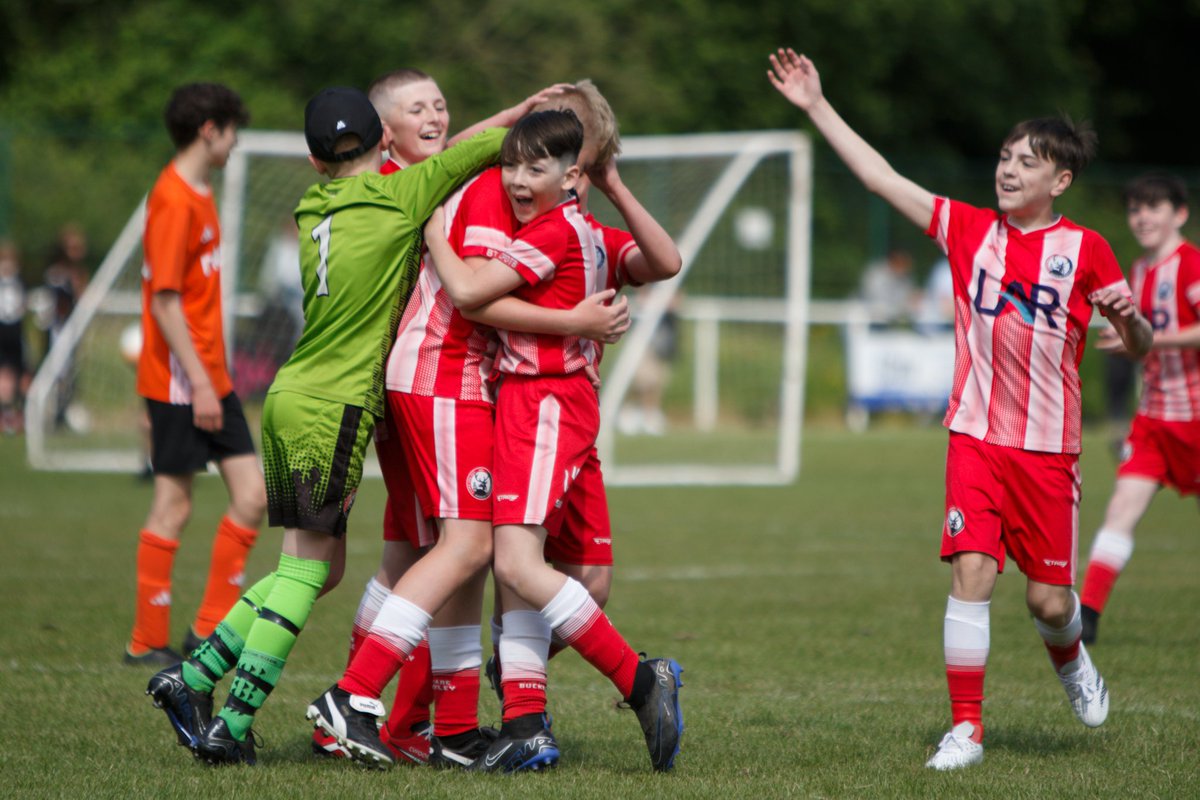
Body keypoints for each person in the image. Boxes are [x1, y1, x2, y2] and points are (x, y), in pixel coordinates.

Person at [767, 47, 1152, 771]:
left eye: (1026, 162)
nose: (1007, 169)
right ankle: (966, 731)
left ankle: (1073, 664)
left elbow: (1136, 344)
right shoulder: (968, 230)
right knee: (970, 572)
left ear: (1059, 179)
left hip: (1048, 451)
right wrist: (817, 104)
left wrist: (1129, 320)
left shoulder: (1088, 250)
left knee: (1047, 603)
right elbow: (882, 179)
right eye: (1004, 156)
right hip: (974, 439)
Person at [145, 86, 505, 765]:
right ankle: (230, 721)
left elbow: (440, 156)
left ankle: (190, 678)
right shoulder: (400, 199)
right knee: (307, 573)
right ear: (385, 145)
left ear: (313, 163)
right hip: (332, 408)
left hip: (290, 396)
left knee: (318, 566)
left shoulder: (312, 204)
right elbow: (480, 148)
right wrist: (538, 109)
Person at [309, 70, 619, 766]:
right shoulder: (483, 187)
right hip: (443, 378)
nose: (436, 116)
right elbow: (473, 296)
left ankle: (443, 728)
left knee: (430, 556)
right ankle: (352, 698)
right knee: (466, 550)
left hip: (444, 384)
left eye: (441, 104)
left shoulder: (462, 180)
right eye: (417, 107)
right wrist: (575, 320)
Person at [423, 109, 684, 773]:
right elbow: (663, 260)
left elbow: (470, 292)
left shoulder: (552, 231)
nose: (514, 178)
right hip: (567, 408)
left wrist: (430, 225)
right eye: (510, 164)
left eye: (532, 167)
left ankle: (639, 681)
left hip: (539, 407)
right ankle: (524, 720)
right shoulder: (589, 231)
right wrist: (614, 188)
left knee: (513, 564)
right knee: (568, 578)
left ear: (571, 174)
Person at [125, 83, 266, 667]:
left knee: (252, 496)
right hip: (184, 381)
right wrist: (201, 384)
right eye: (232, 131)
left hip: (211, 375)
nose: (236, 143)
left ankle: (206, 629)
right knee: (173, 505)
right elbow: (164, 302)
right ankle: (145, 640)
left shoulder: (200, 192)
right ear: (210, 129)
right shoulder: (173, 198)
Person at [1080, 173, 1200, 644]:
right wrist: (1125, 343)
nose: (1142, 217)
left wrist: (1153, 340)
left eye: (1153, 207)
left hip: (1196, 419)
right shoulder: (1139, 271)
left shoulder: (1189, 265)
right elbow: (1143, 342)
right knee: (1121, 507)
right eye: (1135, 208)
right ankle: (1086, 616)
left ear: (1180, 214)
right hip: (1153, 421)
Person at [0, 239, 29, 434]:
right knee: (5, 376)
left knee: (23, 374)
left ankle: (19, 414)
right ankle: (7, 415)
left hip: (17, 335)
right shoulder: (11, 282)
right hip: (5, 334)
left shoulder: (19, 281)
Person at [859, 247, 919, 326]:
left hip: (891, 320)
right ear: (895, 262)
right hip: (869, 317)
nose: (906, 269)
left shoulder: (906, 278)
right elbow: (877, 302)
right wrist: (904, 305)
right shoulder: (876, 274)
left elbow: (909, 299)